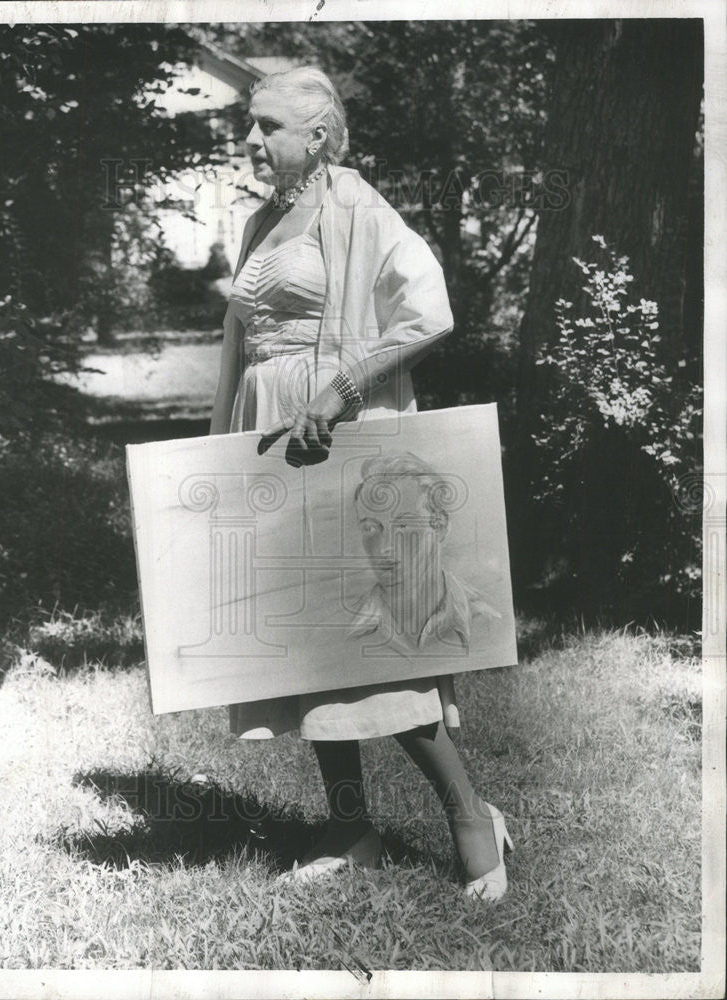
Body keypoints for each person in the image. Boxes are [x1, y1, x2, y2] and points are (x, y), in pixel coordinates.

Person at [209, 66, 512, 900]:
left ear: (317, 135)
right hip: (265, 429)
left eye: (267, 125)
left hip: (338, 432)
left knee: (383, 638)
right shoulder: (261, 220)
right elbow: (243, 342)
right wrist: (225, 453)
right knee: (307, 641)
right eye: (250, 124)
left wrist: (340, 392)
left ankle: (471, 813)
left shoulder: (355, 204)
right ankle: (350, 827)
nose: (251, 139)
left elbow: (429, 309)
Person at [350, 451, 501, 656]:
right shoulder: (348, 635)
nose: (385, 547)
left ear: (439, 525)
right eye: (370, 528)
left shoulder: (488, 624)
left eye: (402, 525)